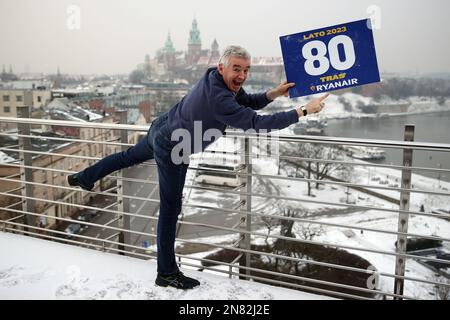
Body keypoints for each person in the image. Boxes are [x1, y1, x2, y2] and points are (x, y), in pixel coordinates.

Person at [68, 45, 328, 290]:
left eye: (246, 70)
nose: (242, 75)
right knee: (170, 209)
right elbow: (257, 124)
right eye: (237, 68)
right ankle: (166, 273)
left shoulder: (214, 78)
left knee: (126, 157)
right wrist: (303, 111)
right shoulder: (221, 98)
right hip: (173, 147)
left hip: (162, 127)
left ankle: (84, 177)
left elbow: (247, 102)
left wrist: (273, 93)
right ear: (222, 66)